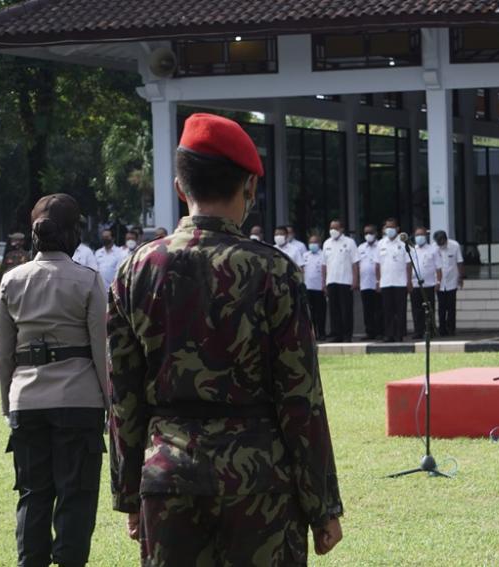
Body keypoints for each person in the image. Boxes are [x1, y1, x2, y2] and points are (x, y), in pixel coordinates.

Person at [107, 113, 343, 565]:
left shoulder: (135, 270)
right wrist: (322, 506)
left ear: (180, 188)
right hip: (260, 483)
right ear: (250, 187)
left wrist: (128, 491)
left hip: (167, 476)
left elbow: (123, 396)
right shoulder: (274, 270)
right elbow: (300, 398)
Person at [0, 194, 109, 567]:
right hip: (79, 400)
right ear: (74, 233)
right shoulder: (89, 280)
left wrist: (7, 403)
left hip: (26, 401)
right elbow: (100, 349)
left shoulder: (12, 280)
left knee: (32, 494)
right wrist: (111, 405)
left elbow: (4, 353)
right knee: (76, 495)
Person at [322, 219, 359, 342]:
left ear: (342, 229)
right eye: (331, 228)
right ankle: (336, 334)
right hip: (331, 281)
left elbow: (355, 263)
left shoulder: (349, 242)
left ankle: (347, 335)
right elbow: (324, 265)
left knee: (346, 309)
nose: (333, 230)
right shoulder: (326, 243)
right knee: (334, 310)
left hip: (345, 281)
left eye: (335, 228)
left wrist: (355, 280)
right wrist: (324, 283)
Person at [376, 218, 410, 343]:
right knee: (387, 310)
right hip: (385, 282)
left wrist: (409, 281)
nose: (389, 230)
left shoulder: (403, 243)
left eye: (392, 227)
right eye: (387, 227)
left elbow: (408, 264)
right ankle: (389, 334)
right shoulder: (380, 243)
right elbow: (377, 264)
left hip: (400, 282)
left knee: (400, 311)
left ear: (397, 229)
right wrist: (378, 281)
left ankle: (399, 334)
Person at [409, 226, 442, 339]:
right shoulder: (412, 249)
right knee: (416, 309)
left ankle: (431, 330)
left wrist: (438, 281)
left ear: (426, 236)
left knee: (429, 309)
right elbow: (409, 266)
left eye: (421, 235)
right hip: (415, 284)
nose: (419, 237)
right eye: (417, 235)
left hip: (429, 284)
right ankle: (418, 331)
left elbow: (438, 268)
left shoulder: (433, 249)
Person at [434, 230, 464, 336]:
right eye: (438, 242)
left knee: (451, 307)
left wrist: (460, 277)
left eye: (441, 242)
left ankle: (451, 328)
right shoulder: (434, 248)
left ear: (445, 239)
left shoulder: (454, 245)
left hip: (452, 280)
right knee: (441, 307)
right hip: (439, 282)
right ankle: (442, 329)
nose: (440, 244)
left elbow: (459, 261)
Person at [357, 224, 383, 340]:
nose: (368, 235)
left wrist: (379, 281)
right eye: (366, 233)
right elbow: (357, 265)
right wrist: (356, 280)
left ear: (376, 233)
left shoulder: (381, 246)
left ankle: (380, 332)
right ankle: (370, 332)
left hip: (377, 283)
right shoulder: (361, 248)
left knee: (379, 309)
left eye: (370, 232)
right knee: (367, 310)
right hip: (365, 283)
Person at [304, 234, 327, 339]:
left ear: (319, 243)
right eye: (311, 242)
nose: (312, 245)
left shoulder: (323, 255)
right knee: (310, 313)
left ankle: (321, 333)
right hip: (308, 288)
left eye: (315, 242)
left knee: (320, 312)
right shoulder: (305, 255)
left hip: (319, 288)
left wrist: (324, 285)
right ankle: (312, 333)